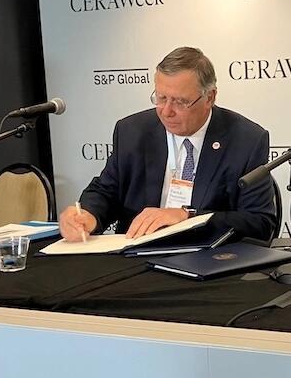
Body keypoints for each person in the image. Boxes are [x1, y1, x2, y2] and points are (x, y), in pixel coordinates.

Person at [59, 47, 275, 242]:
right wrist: (87, 214)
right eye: (161, 98)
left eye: (180, 102)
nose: (166, 111)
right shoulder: (132, 131)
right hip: (137, 253)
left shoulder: (246, 140)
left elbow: (260, 222)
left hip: (209, 257)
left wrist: (188, 216)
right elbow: (106, 191)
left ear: (209, 97)